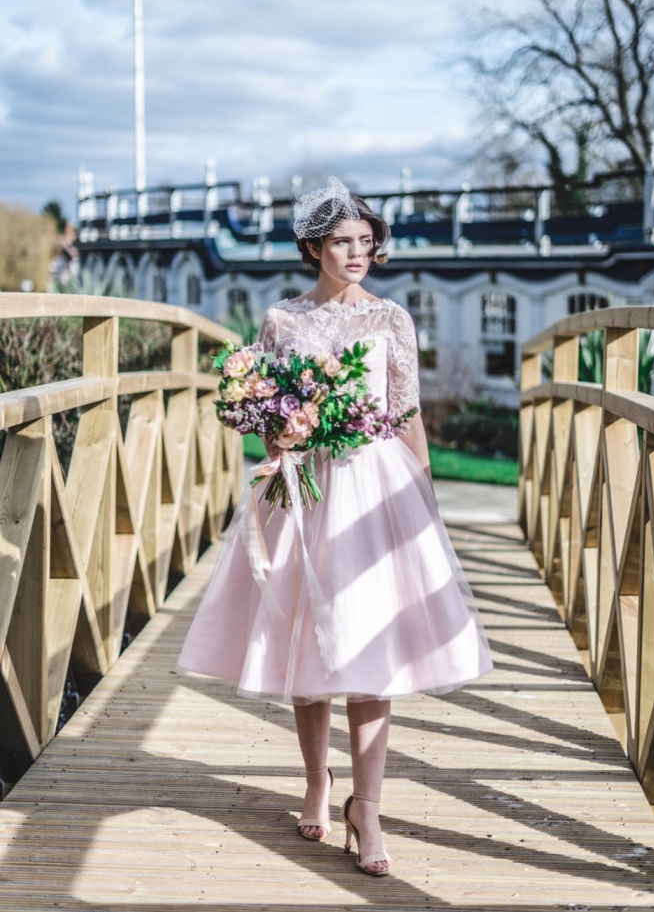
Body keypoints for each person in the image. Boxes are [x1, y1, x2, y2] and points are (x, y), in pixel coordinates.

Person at [178, 177, 492, 876]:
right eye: (343, 241)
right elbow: (260, 405)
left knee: (371, 647)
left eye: (366, 240)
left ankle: (369, 807)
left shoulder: (391, 319)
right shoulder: (282, 321)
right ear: (314, 246)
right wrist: (280, 434)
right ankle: (318, 779)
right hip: (308, 489)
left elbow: (406, 411)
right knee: (306, 639)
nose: (358, 251)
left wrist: (426, 497)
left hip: (375, 492)